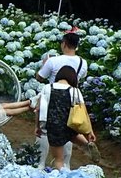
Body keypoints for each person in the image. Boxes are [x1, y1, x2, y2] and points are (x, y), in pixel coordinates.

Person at [35, 29, 87, 167]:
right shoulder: (83, 62)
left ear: (64, 44)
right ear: (76, 46)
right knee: (68, 130)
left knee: (47, 130)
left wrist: (44, 64)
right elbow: (80, 78)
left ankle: (40, 164)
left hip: (51, 97)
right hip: (71, 100)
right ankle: (65, 165)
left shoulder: (53, 61)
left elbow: (40, 77)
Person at [35, 65, 99, 169]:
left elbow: (38, 109)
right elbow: (84, 112)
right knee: (71, 134)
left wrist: (37, 126)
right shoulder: (75, 91)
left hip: (54, 126)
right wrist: (90, 132)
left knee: (58, 159)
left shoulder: (47, 88)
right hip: (70, 124)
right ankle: (86, 144)